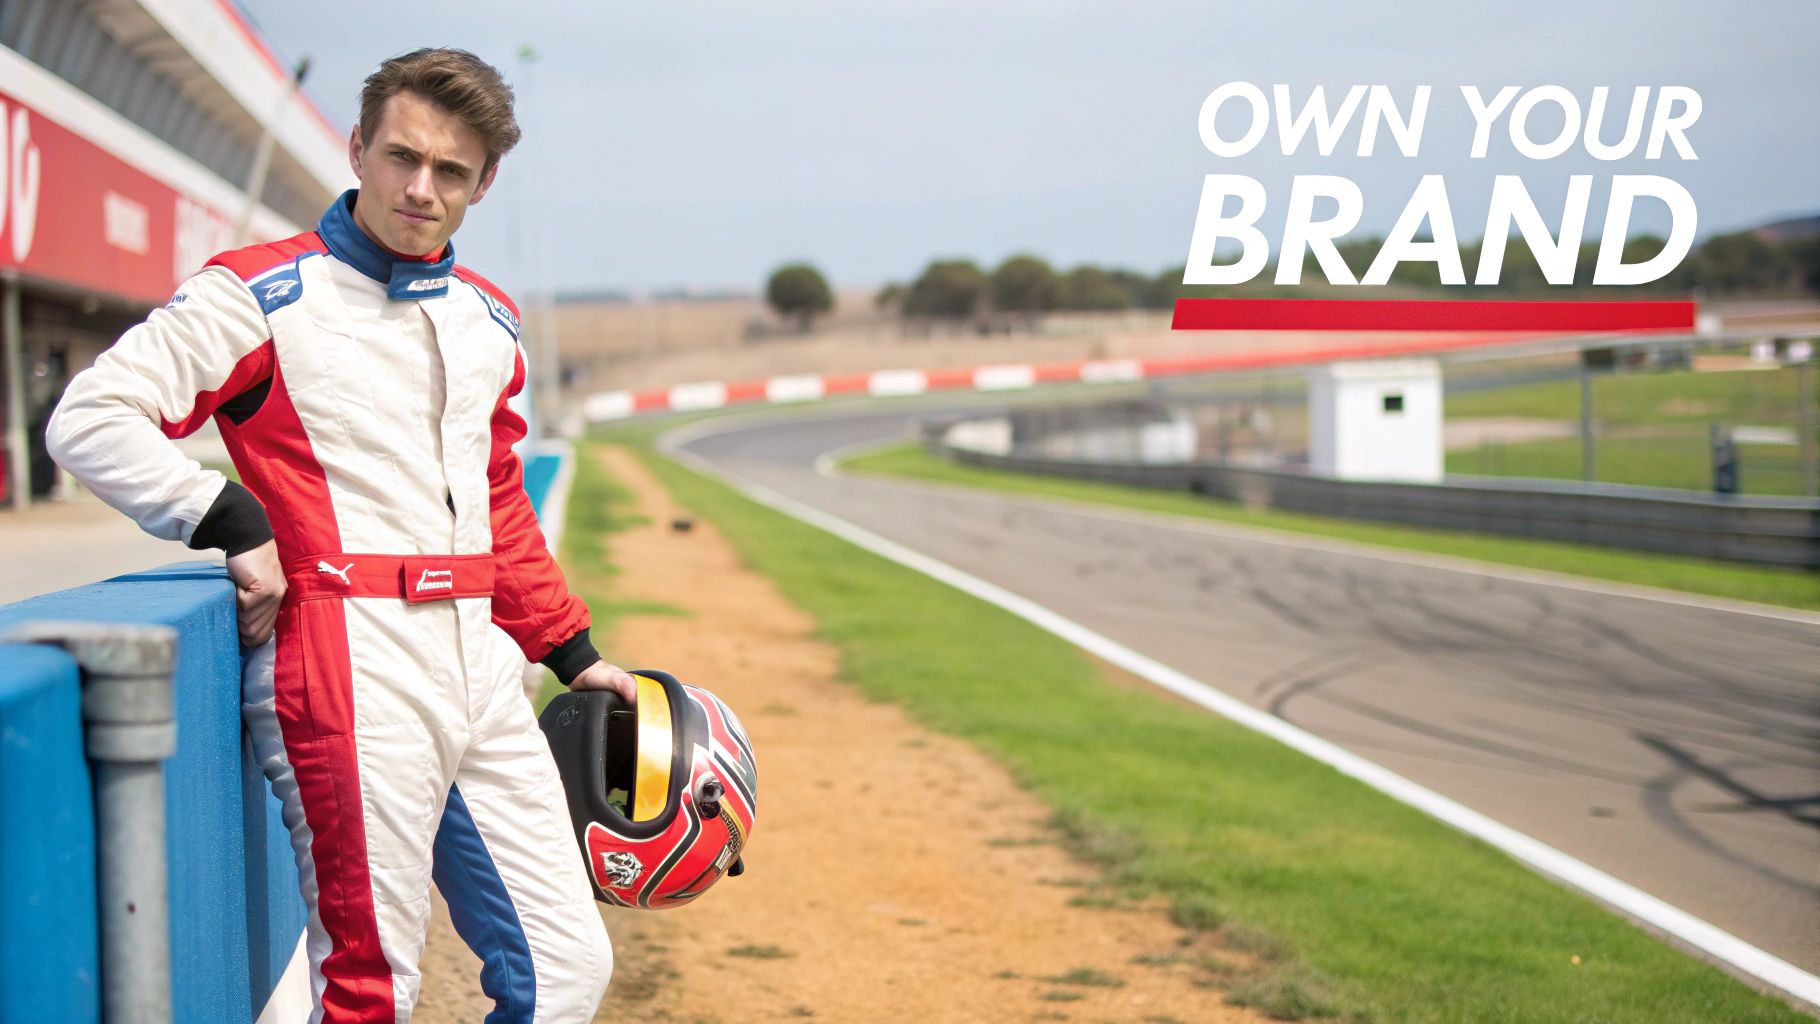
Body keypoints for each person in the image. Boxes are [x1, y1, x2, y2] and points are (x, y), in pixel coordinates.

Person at [46, 48, 627, 1022]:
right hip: (341, 658)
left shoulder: (489, 319)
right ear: (357, 147)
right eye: (400, 155)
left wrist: (571, 650)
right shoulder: (256, 292)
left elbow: (496, 502)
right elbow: (90, 414)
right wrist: (227, 514)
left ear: (483, 183)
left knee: (567, 970)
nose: (418, 186)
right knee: (373, 993)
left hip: (478, 662)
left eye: (449, 171)